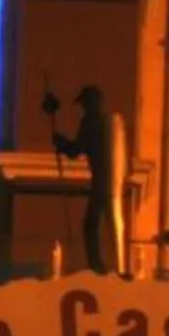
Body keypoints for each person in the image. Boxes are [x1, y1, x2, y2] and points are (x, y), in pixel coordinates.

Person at [41, 85, 125, 276]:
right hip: (109, 179)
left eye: (84, 104)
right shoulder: (104, 123)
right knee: (102, 221)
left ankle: (97, 266)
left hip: (101, 180)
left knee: (91, 224)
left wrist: (60, 142)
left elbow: (75, 150)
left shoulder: (90, 123)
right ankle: (106, 264)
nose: (83, 108)